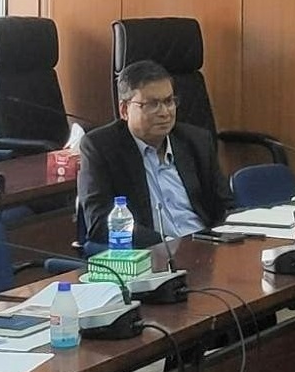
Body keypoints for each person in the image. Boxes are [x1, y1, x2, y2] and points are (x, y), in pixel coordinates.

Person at [77, 59, 229, 246]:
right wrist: (168, 245)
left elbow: (226, 205)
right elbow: (100, 223)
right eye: (152, 104)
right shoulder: (100, 147)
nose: (165, 112)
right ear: (125, 110)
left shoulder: (196, 141)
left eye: (168, 101)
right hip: (151, 256)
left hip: (207, 249)